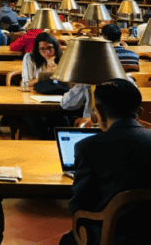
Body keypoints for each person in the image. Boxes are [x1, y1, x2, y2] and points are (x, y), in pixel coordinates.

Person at [59, 79, 151, 245]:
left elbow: (79, 206)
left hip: (111, 236)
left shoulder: (88, 147)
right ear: (140, 110)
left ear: (98, 111)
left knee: (68, 240)